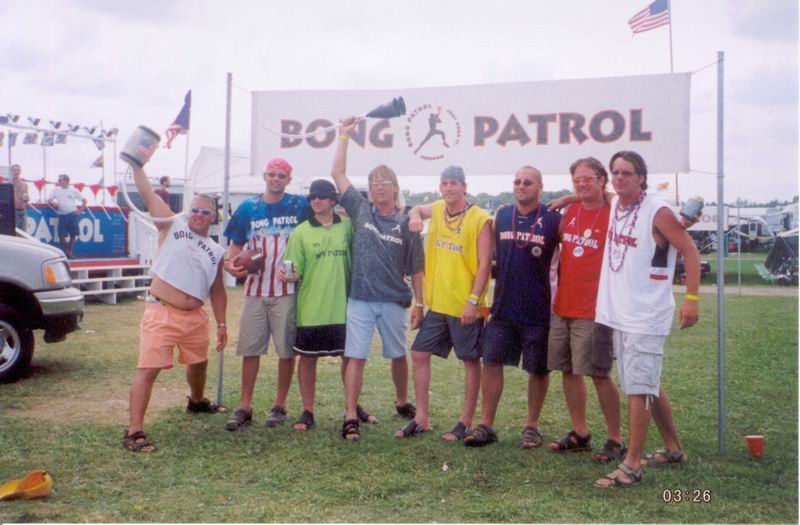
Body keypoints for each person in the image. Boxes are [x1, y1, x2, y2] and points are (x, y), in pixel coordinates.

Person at [593, 150, 700, 488]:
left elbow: (690, 251)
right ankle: (673, 448)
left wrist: (692, 299)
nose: (619, 178)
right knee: (645, 382)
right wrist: (568, 198)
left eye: (626, 173)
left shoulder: (657, 209)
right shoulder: (617, 203)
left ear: (641, 177)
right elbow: (602, 193)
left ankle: (632, 464)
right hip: (622, 313)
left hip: (646, 313)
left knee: (639, 389)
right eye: (615, 172)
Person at [332, 117, 425, 441]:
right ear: (369, 190)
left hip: (394, 300)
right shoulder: (360, 210)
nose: (379, 187)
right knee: (355, 355)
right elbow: (337, 173)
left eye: (385, 182)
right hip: (360, 298)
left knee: (397, 354)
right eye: (374, 183)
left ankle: (401, 400)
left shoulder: (407, 220)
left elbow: (417, 267)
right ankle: (350, 414)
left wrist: (420, 304)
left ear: (395, 188)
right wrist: (344, 136)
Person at [123, 164, 227, 453]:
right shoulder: (171, 225)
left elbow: (218, 289)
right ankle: (134, 431)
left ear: (213, 217)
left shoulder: (217, 250)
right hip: (161, 310)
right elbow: (147, 193)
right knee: (149, 369)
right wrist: (137, 165)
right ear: (187, 211)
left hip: (195, 317)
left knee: (200, 362)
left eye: (205, 212)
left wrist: (222, 323)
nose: (199, 215)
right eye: (195, 210)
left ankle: (197, 401)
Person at [463, 166, 560, 448]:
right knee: (491, 363)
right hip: (502, 308)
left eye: (528, 182)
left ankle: (532, 426)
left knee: (538, 370)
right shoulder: (503, 215)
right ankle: (486, 424)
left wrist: (569, 199)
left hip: (538, 309)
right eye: (517, 181)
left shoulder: (554, 218)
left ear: (540, 186)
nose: (521, 186)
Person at [398, 166, 491, 440]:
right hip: (438, 304)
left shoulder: (480, 217)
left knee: (470, 361)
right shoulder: (438, 208)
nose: (449, 188)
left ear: (464, 187)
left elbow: (485, 264)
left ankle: (465, 421)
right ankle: (421, 418)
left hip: (465, 305)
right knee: (419, 353)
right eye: (445, 183)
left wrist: (473, 301)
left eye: (454, 183)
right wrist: (416, 216)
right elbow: (417, 210)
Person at [544, 157, 626, 461]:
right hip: (563, 306)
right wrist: (572, 199)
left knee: (599, 374)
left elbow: (620, 198)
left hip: (595, 309)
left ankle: (616, 439)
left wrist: (572, 196)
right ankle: (580, 433)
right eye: (577, 180)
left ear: (602, 180)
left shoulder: (614, 211)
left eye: (588, 178)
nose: (582, 184)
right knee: (568, 370)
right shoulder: (571, 212)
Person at [223, 158, 309, 431]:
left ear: (289, 179)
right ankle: (244, 406)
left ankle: (279, 405)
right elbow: (235, 246)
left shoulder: (299, 205)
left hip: (287, 290)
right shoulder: (249, 207)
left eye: (281, 175)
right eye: (272, 174)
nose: (276, 179)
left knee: (286, 350)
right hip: (255, 290)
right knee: (250, 349)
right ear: (264, 176)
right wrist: (229, 264)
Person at [279, 179, 352, 432]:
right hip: (311, 308)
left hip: (343, 307)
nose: (316, 201)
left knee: (349, 358)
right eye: (312, 197)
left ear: (332, 199)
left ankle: (352, 408)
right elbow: (294, 269)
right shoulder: (300, 232)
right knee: (308, 359)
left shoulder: (348, 226)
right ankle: (308, 410)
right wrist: (290, 275)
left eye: (321, 196)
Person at [48, 174, 87, 258]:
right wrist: (53, 203)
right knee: (61, 235)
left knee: (73, 234)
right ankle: (67, 251)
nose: (58, 182)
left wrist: (80, 210)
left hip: (72, 214)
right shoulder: (56, 190)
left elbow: (84, 200)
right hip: (62, 215)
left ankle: (69, 251)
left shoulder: (73, 190)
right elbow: (49, 199)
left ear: (66, 181)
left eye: (60, 180)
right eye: (58, 180)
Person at [11, 164, 29, 232]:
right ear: (11, 172)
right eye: (14, 170)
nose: (16, 172)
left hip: (23, 212)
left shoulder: (24, 185)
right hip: (12, 212)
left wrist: (26, 199)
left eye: (18, 170)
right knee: (13, 233)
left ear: (20, 172)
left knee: (23, 233)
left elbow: (27, 199)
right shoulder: (8, 184)